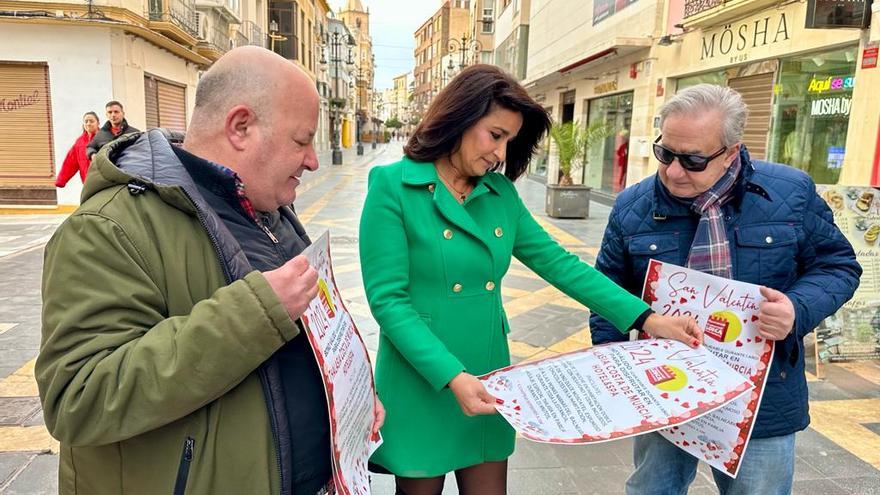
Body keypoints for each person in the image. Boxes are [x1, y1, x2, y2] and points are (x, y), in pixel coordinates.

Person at [37, 46, 382, 495]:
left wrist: (347, 400)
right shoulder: (106, 229)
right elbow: (78, 397)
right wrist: (253, 312)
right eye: (301, 141)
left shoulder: (266, 207)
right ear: (241, 127)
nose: (313, 160)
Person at [358, 64, 704, 495]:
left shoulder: (499, 195)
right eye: (495, 135)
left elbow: (562, 265)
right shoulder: (394, 186)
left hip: (486, 371)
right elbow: (389, 301)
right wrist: (452, 376)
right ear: (460, 118)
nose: (501, 154)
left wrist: (646, 318)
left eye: (510, 141)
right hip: (422, 376)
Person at [589, 84, 861, 495]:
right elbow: (606, 291)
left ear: (731, 152)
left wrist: (796, 308)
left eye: (694, 160)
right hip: (664, 388)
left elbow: (837, 265)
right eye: (666, 154)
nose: (674, 172)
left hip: (760, 396)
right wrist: (614, 373)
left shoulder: (790, 193)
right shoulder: (633, 206)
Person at [55, 111, 100, 188]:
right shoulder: (79, 142)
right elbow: (70, 162)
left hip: (104, 182)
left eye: (92, 121)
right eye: (86, 121)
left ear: (98, 123)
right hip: (87, 184)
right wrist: (61, 180)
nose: (88, 123)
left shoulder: (104, 138)